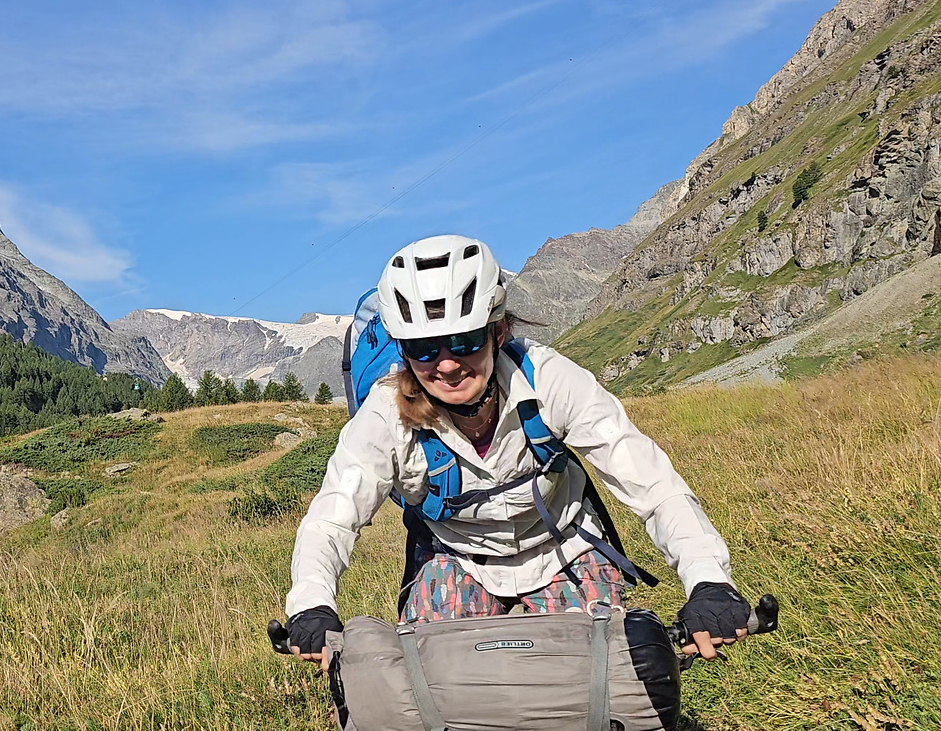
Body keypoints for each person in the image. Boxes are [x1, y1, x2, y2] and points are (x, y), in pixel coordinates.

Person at [284, 235, 751, 671]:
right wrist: (312, 604)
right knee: (440, 685)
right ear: (404, 351)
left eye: (465, 341)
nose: (446, 364)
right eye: (424, 350)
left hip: (564, 548)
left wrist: (708, 580)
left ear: (499, 331)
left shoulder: (550, 380)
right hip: (457, 556)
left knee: (592, 682)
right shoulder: (384, 417)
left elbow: (651, 483)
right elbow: (332, 518)